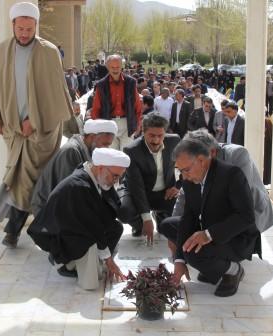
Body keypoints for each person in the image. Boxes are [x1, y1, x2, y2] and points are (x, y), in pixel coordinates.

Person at [0, 2, 73, 248]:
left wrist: (33, 121)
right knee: (25, 177)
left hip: (42, 130)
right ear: (12, 25)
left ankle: (13, 228)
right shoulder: (2, 51)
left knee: (27, 177)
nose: (24, 34)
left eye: (29, 29)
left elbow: (56, 93)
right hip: (13, 130)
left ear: (36, 26)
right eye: (20, 28)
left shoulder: (48, 51)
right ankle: (39, 226)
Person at [159, 129, 273, 256]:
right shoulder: (193, 164)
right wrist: (176, 235)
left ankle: (230, 258)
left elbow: (241, 198)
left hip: (246, 212)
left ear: (212, 152)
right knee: (173, 226)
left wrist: (208, 232)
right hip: (216, 215)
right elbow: (184, 196)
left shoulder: (238, 155)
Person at [28, 148, 130, 290]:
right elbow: (93, 226)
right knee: (92, 271)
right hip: (60, 237)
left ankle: (91, 262)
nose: (116, 181)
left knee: (115, 228)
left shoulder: (96, 174)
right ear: (101, 168)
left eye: (119, 177)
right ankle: (67, 265)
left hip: (76, 227)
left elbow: (111, 207)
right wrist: (109, 260)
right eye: (114, 176)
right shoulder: (79, 186)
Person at [171, 138, 261, 297]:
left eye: (186, 170)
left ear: (201, 161)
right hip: (210, 227)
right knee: (170, 229)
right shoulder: (190, 179)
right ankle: (213, 265)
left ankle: (234, 270)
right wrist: (178, 261)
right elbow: (189, 217)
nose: (184, 176)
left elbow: (246, 217)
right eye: (180, 171)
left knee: (193, 253)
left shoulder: (231, 174)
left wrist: (207, 235)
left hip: (238, 238)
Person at [31, 119, 118, 216]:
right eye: (105, 144)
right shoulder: (71, 151)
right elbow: (70, 192)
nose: (106, 149)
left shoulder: (90, 151)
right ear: (92, 137)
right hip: (48, 209)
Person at [118, 112, 180, 242]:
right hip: (139, 192)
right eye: (151, 135)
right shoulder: (132, 150)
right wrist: (146, 219)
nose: (156, 140)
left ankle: (161, 215)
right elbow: (137, 187)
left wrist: (177, 186)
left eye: (160, 135)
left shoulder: (174, 141)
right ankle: (138, 224)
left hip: (165, 192)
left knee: (176, 217)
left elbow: (188, 166)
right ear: (143, 131)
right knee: (123, 211)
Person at [91, 54, 142, 150]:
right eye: (112, 67)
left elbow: (137, 105)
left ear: (121, 67)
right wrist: (98, 128)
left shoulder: (131, 82)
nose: (115, 70)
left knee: (127, 155)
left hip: (127, 123)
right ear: (107, 67)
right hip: (109, 123)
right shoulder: (101, 85)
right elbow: (96, 108)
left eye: (117, 67)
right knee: (113, 156)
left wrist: (138, 124)